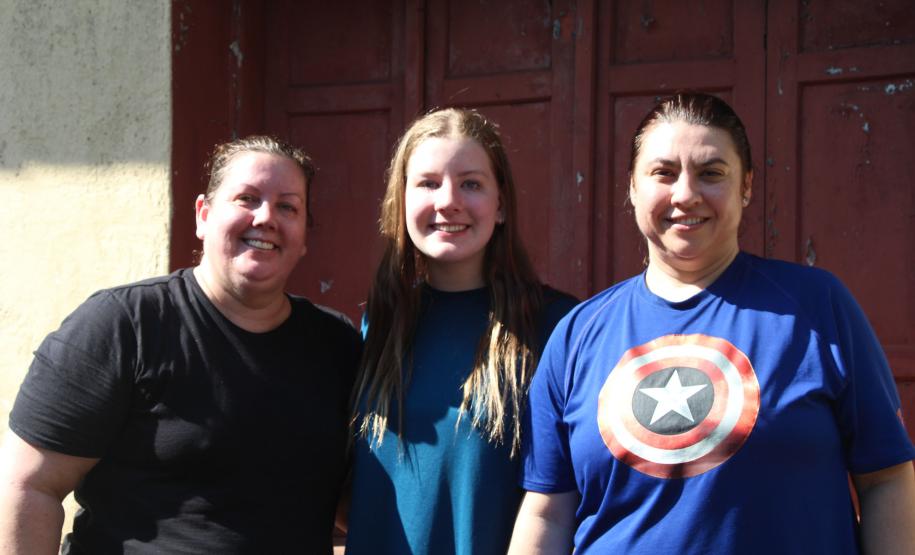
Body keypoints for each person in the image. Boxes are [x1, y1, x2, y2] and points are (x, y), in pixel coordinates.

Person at [509, 92, 915, 554]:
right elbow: (547, 511)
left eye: (711, 173)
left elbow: (887, 478)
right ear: (632, 188)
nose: (685, 193)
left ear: (746, 187)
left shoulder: (818, 308)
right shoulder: (577, 334)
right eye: (663, 173)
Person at [0, 136, 361, 554]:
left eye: (288, 206)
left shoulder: (335, 345)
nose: (266, 217)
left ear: (303, 237)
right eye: (246, 198)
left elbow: (352, 498)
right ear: (203, 216)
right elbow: (29, 485)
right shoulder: (123, 325)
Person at [344, 108, 577, 555]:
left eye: (470, 183)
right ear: (402, 201)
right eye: (429, 183)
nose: (448, 200)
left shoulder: (557, 325)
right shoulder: (382, 323)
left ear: (501, 203)